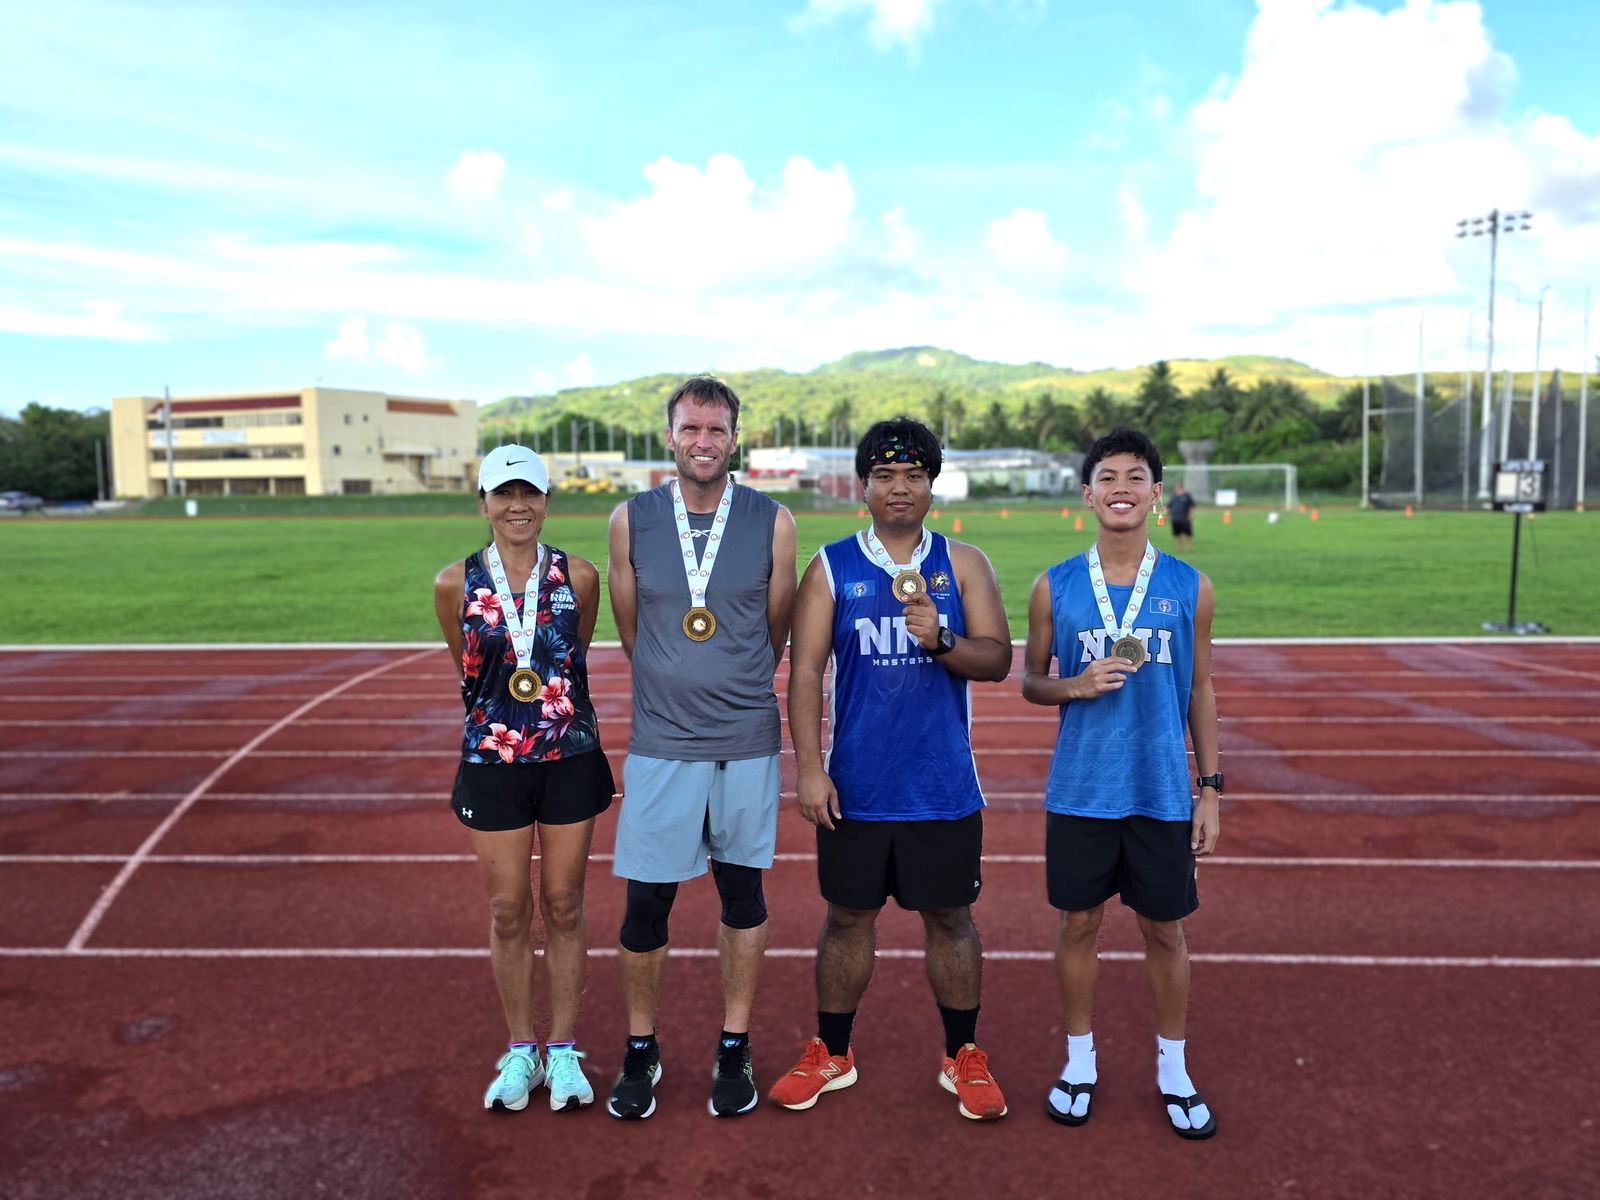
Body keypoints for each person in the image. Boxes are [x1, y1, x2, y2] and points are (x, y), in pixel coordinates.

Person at [770, 417, 1013, 1122]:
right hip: (857, 786)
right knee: (846, 918)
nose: (898, 487)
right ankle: (833, 1053)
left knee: (951, 918)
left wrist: (941, 638)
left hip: (941, 786)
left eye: (912, 475)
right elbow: (807, 670)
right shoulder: (832, 565)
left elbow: (995, 660)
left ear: (931, 484)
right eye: (884, 475)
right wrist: (810, 770)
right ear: (863, 484)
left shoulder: (964, 564)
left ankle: (962, 1055)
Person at [605, 374, 798, 1119]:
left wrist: (726, 682)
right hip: (662, 743)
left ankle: (734, 1046)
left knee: (742, 897)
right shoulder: (630, 519)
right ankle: (641, 1052)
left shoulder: (773, 520)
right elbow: (631, 630)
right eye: (691, 429)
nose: (704, 442)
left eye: (717, 430)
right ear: (669, 436)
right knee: (645, 904)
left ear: (735, 436)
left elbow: (774, 629)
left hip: (746, 741)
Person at [1020, 427, 1221, 1140]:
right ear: (1088, 494)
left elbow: (1199, 688)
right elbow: (1032, 683)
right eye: (1108, 477)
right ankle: (1080, 1062)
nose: (1122, 488)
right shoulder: (1055, 584)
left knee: (1165, 931)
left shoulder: (1190, 586)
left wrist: (1212, 788)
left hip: (1162, 790)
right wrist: (1072, 685)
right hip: (1080, 789)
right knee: (1078, 924)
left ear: (1156, 494)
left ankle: (1174, 1068)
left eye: (1136, 476)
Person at [433, 444, 616, 1114]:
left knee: (564, 904)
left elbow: (576, 657)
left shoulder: (581, 575)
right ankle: (520, 1048)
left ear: (546, 499)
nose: (518, 507)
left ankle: (563, 1050)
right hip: (492, 761)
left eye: (529, 494)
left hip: (568, 755)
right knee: (509, 909)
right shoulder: (453, 582)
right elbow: (470, 673)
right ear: (482, 502)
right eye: (503, 495)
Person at [1166, 480, 1196, 552]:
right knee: (1177, 535)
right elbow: (1169, 506)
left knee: (1188, 534)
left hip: (1185, 519)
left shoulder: (1187, 495)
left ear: (1181, 487)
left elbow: (1192, 506)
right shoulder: (1174, 496)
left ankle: (1189, 548)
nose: (1175, 488)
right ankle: (1179, 549)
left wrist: (1190, 515)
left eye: (1176, 487)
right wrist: (1167, 515)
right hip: (1175, 519)